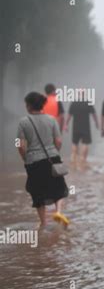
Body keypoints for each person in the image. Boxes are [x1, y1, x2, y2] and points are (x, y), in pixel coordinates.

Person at [17, 92, 70, 229]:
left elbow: (19, 144)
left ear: (29, 106)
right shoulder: (52, 120)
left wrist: (25, 157)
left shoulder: (23, 122)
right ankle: (58, 212)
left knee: (37, 192)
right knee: (59, 188)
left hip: (33, 161)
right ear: (42, 105)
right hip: (52, 158)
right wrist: (54, 152)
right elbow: (58, 141)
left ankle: (43, 223)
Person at [64, 89, 99, 167]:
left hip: (75, 127)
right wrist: (96, 123)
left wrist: (66, 125)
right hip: (85, 127)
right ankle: (83, 159)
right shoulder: (88, 102)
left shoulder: (74, 103)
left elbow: (69, 115)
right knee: (85, 143)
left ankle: (73, 158)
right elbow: (94, 114)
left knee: (74, 143)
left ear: (78, 94)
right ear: (84, 94)